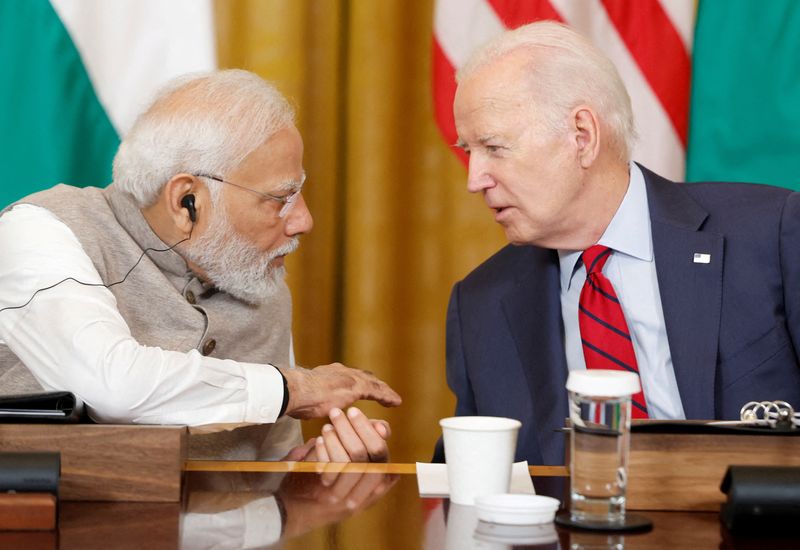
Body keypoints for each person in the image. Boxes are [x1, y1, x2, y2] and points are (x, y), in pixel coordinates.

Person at [439, 21, 800, 465]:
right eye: (468, 150)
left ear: (582, 137)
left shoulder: (770, 234)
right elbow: (474, 476)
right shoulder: (481, 304)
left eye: (493, 147)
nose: (475, 179)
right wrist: (361, 470)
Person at [0, 69, 401, 462]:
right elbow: (110, 387)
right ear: (185, 200)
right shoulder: (40, 229)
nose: (304, 221)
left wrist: (309, 475)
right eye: (281, 198)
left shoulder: (258, 276)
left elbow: (264, 472)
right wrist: (293, 388)